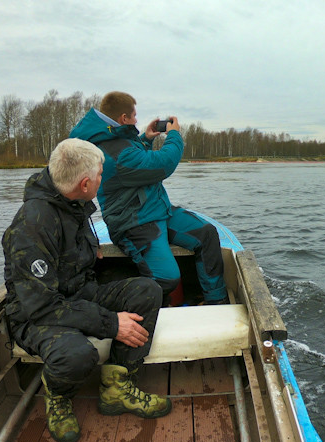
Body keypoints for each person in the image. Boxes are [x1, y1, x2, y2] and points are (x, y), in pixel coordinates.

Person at [2, 138, 171, 442]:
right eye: (99, 175)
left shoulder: (70, 202)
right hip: (35, 316)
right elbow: (41, 305)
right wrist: (111, 323)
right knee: (78, 355)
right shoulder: (32, 225)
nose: (102, 179)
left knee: (147, 290)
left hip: (77, 294)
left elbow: (71, 255)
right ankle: (57, 396)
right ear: (83, 184)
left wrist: (89, 251)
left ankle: (117, 388)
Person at [69, 91, 228, 305]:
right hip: (134, 223)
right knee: (167, 278)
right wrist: (174, 135)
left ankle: (216, 302)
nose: (136, 121)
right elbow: (163, 163)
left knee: (206, 234)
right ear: (123, 119)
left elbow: (135, 159)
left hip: (158, 211)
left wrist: (146, 138)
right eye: (134, 116)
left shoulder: (113, 139)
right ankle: (119, 300)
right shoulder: (113, 151)